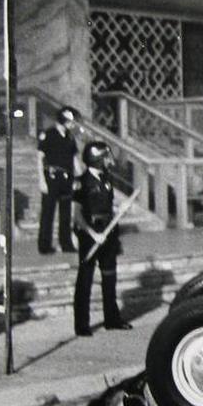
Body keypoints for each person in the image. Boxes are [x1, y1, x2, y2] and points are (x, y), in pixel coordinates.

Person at [73, 141, 132, 336]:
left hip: (108, 231)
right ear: (96, 159)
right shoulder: (81, 182)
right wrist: (92, 234)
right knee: (85, 279)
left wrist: (119, 210)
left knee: (110, 277)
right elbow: (77, 215)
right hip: (91, 233)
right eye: (105, 157)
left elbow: (106, 205)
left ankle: (112, 319)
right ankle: (82, 325)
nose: (109, 160)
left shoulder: (106, 179)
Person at [37, 105, 82, 254]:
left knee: (66, 212)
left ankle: (66, 243)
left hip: (67, 178)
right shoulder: (48, 135)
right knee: (48, 212)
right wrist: (41, 180)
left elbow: (74, 158)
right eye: (71, 121)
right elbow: (39, 158)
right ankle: (45, 245)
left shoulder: (70, 137)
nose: (73, 124)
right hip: (52, 177)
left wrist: (78, 177)